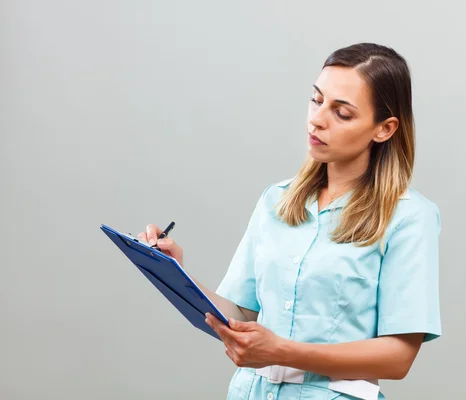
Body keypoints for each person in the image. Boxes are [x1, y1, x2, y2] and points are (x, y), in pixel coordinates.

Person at [139, 42, 442, 400]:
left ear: (385, 128)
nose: (317, 119)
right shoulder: (276, 200)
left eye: (342, 113)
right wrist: (175, 273)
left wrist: (282, 352)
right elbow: (242, 317)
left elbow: (398, 358)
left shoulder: (408, 217)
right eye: (317, 100)